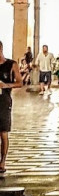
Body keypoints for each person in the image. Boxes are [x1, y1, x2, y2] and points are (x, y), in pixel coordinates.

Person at [0, 40, 23, 174]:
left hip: (4, 101)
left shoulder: (11, 64)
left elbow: (20, 83)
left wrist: (6, 85)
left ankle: (3, 161)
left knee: (3, 132)